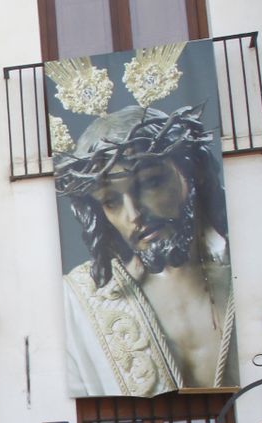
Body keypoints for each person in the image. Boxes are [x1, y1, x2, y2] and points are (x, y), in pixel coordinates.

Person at [53, 101, 237, 396]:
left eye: (150, 183)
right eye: (111, 201)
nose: (134, 214)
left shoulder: (247, 263)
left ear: (193, 171)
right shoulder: (78, 302)